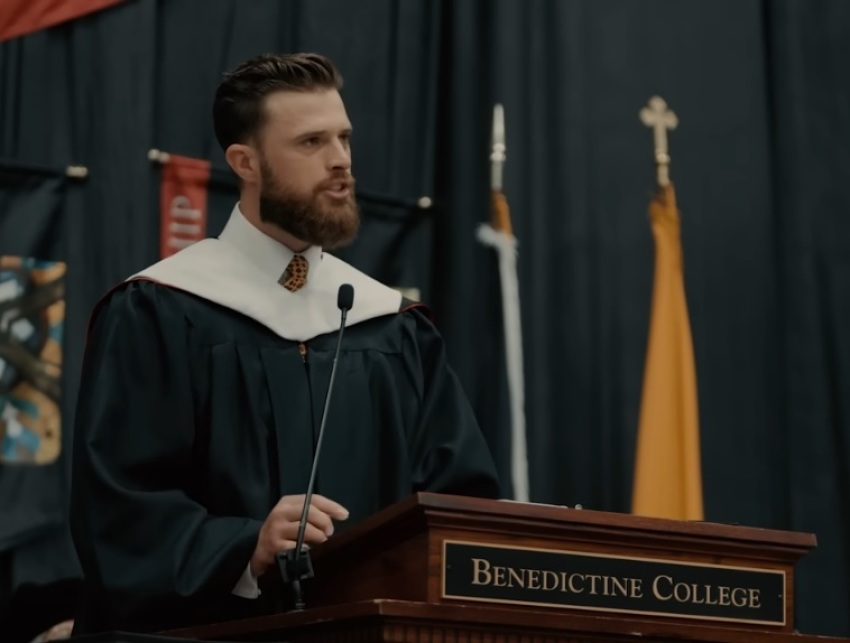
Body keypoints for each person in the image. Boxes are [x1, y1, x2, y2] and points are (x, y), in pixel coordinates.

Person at [68, 52, 502, 636]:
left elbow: (458, 505)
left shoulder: (390, 325)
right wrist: (244, 547)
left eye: (344, 138)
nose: (341, 161)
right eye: (311, 142)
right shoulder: (161, 309)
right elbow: (119, 510)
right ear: (245, 162)